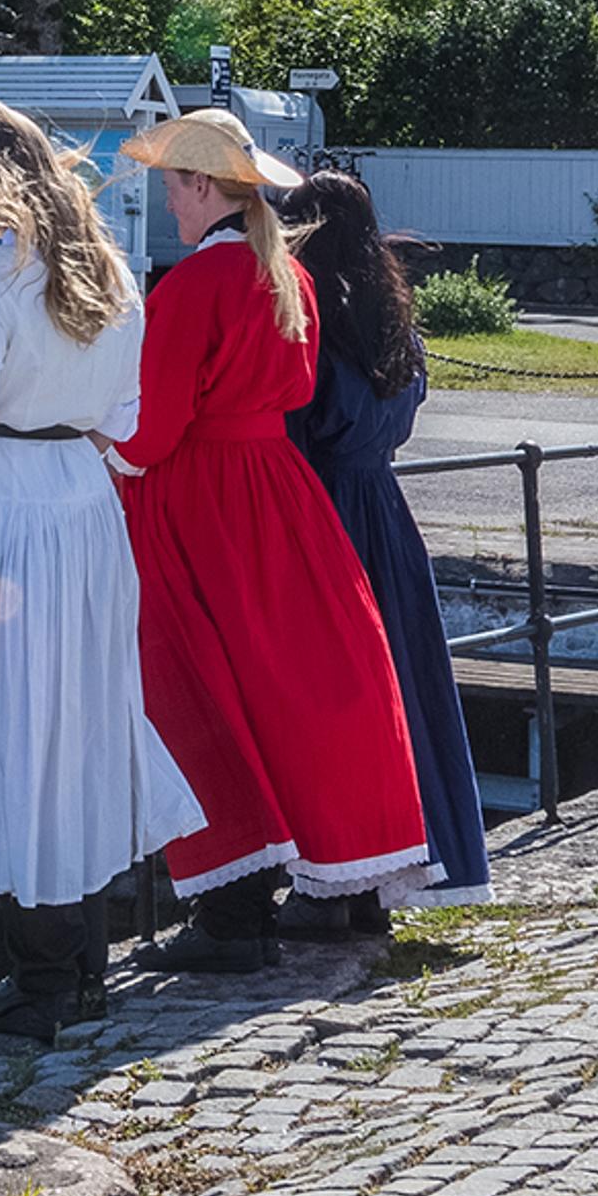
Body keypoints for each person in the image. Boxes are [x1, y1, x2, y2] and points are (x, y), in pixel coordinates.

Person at [112, 109, 433, 971]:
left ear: (205, 187)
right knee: (308, 686)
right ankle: (344, 880)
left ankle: (231, 912)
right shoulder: (282, 273)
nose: (169, 201)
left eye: (175, 184)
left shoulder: (191, 287)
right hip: (279, 499)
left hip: (202, 506)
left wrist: (94, 455)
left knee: (201, 691)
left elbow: (152, 431)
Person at [0, 100, 203, 1043]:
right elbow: (123, 422)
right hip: (85, 503)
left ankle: (37, 979)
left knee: (17, 732)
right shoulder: (112, 272)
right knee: (79, 726)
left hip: (4, 504)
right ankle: (81, 964)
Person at [280, 171, 491, 912]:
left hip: (324, 513)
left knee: (327, 698)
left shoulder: (310, 326)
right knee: (401, 689)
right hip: (386, 513)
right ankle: (396, 871)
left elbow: (294, 428)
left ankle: (330, 880)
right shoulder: (394, 322)